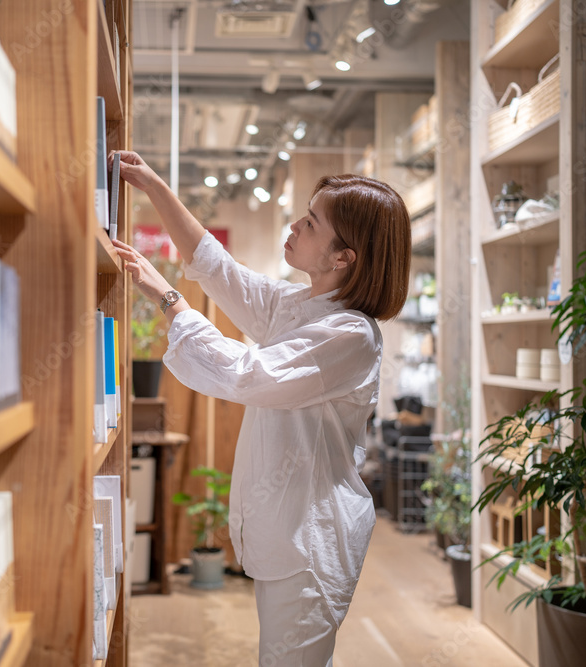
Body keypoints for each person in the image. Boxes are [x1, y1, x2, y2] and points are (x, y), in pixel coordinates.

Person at [111, 150, 411, 666]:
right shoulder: (302, 305)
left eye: (312, 222)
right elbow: (219, 268)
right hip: (288, 531)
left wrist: (168, 301)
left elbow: (249, 375)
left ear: (344, 257)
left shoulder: (351, 335)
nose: (295, 225)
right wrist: (154, 186)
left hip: (311, 541)